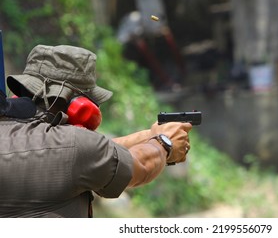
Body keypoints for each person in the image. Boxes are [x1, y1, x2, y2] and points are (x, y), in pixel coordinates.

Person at [0, 44, 192, 218]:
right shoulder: (77, 147)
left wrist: (149, 136)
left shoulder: (19, 137)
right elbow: (141, 165)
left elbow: (76, 152)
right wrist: (164, 143)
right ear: (79, 106)